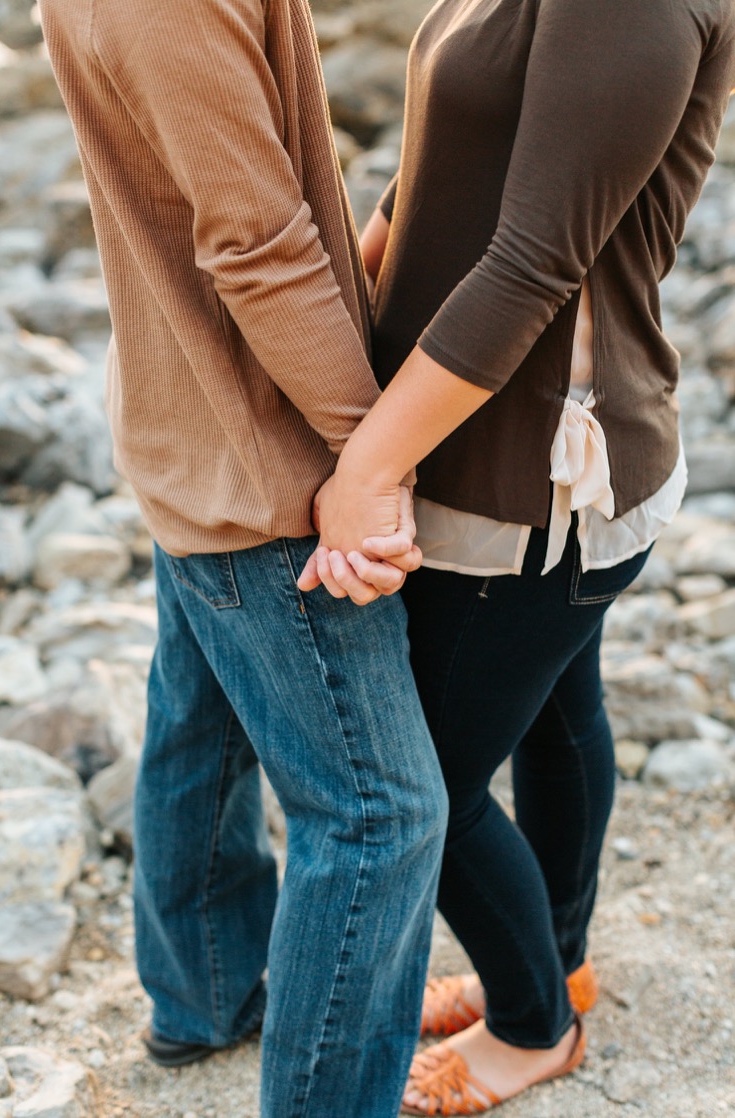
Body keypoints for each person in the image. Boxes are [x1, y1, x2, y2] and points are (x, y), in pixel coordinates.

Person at [298, 1, 735, 1110]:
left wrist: (364, 471)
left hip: (539, 481)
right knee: (552, 708)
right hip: (493, 455)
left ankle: (536, 1021)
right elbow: (439, 177)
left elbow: (535, 262)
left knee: (419, 789)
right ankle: (557, 959)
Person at [38, 1, 448, 1114]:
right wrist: (371, 460)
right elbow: (257, 242)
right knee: (380, 814)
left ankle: (204, 995)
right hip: (265, 459)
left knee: (200, 721)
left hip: (186, 425)